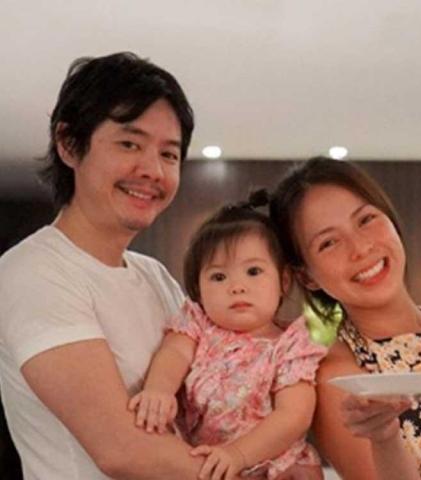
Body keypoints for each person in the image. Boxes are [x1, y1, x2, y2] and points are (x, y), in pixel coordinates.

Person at [0, 52, 207, 479]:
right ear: (69, 144)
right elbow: (122, 449)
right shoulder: (34, 272)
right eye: (129, 144)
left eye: (169, 155)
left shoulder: (154, 276)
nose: (152, 170)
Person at [269, 157, 421, 480]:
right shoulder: (341, 377)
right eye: (329, 242)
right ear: (307, 277)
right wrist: (384, 438)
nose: (360, 248)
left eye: (366, 219)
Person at [128, 192, 327, 480]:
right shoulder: (197, 324)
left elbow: (293, 416)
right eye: (219, 277)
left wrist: (237, 454)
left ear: (283, 281)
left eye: (253, 271)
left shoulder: (292, 345)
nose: (237, 287)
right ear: (198, 289)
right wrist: (159, 390)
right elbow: (173, 353)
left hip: (277, 466)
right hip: (203, 464)